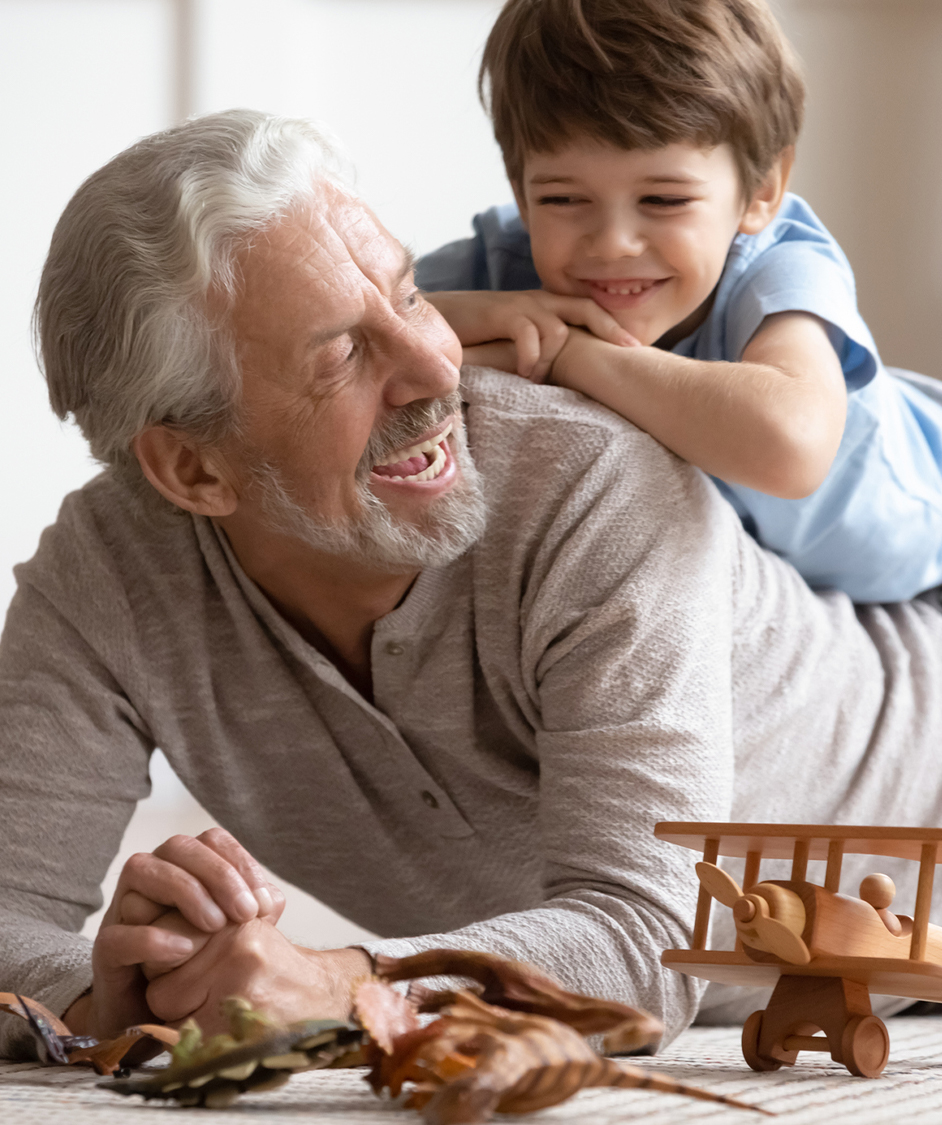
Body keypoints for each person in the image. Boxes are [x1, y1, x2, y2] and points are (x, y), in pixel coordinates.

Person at [4, 108, 942, 1062]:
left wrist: (345, 982)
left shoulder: (596, 487)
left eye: (413, 299)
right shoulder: (104, 578)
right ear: (193, 470)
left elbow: (647, 938)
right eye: (341, 354)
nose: (437, 365)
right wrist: (96, 995)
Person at [418, 0, 942, 605]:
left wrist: (569, 354)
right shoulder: (498, 262)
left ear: (760, 192)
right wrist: (461, 320)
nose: (613, 244)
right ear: (520, 187)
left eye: (664, 200)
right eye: (563, 199)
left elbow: (790, 446)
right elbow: (333, 335)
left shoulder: (779, 262)